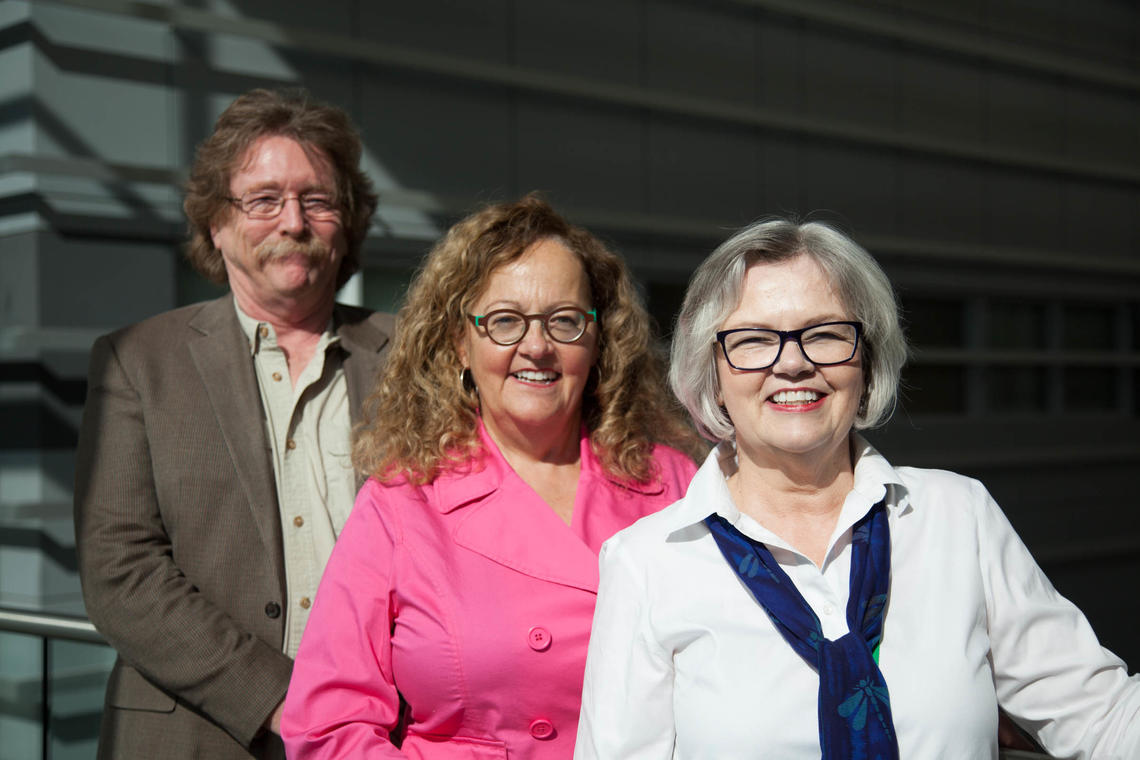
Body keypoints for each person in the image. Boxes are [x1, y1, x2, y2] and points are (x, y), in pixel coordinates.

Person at [575, 219, 1140, 759]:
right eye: (753, 340)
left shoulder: (957, 518)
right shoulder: (648, 564)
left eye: (824, 334)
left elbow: (1101, 713)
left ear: (866, 363)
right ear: (713, 375)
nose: (792, 363)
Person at [280, 195, 703, 759]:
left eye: (565, 320)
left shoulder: (672, 486)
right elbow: (329, 726)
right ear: (461, 343)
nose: (536, 346)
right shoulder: (402, 502)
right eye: (504, 321)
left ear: (599, 340)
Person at [73, 88, 394, 760]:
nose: (294, 220)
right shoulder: (137, 362)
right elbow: (119, 569)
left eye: (317, 199)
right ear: (217, 224)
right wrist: (284, 698)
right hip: (191, 735)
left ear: (348, 222)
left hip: (380, 735)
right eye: (264, 199)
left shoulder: (413, 358)